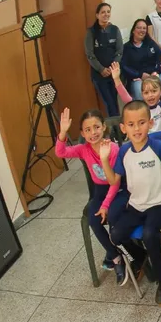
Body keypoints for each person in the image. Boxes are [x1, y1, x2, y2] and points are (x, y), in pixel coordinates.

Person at [100, 102, 161, 306]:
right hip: (136, 205)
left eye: (141, 123)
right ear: (123, 128)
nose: (137, 128)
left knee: (151, 235)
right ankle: (141, 256)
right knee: (115, 235)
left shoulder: (158, 147)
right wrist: (104, 159)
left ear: (150, 123)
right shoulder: (124, 151)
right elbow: (114, 181)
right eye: (131, 124)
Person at [55, 108, 129, 283]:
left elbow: (115, 182)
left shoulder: (112, 148)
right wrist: (63, 133)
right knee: (93, 220)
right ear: (82, 133)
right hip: (100, 191)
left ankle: (128, 251)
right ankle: (115, 256)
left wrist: (105, 205)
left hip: (119, 189)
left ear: (103, 127)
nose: (93, 133)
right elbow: (61, 153)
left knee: (112, 216)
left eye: (96, 127)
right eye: (87, 130)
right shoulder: (83, 149)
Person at [111, 57, 161, 132]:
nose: (150, 95)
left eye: (154, 91)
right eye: (146, 92)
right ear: (142, 94)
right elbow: (126, 98)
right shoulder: (140, 108)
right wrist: (116, 79)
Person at [85, 3, 123, 117]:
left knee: (115, 102)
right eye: (103, 12)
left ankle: (118, 126)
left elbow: (119, 51)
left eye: (108, 12)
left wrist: (113, 68)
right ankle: (115, 127)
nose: (106, 14)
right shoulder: (91, 32)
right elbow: (89, 54)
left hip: (114, 73)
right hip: (99, 75)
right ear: (97, 15)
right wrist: (101, 69)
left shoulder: (115, 29)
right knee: (109, 103)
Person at [120, 19, 161, 99]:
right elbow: (124, 66)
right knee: (140, 91)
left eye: (144, 28)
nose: (142, 30)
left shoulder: (151, 43)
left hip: (154, 74)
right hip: (137, 77)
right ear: (133, 30)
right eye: (139, 28)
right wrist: (140, 75)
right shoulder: (127, 47)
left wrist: (156, 71)